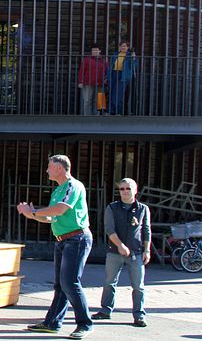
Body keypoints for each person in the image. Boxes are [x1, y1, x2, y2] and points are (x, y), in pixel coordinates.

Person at [17, 155, 93, 339]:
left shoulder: (73, 186)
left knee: (70, 283)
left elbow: (60, 209)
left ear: (59, 167)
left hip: (77, 239)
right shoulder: (58, 191)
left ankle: (85, 324)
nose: (47, 170)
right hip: (62, 240)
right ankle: (52, 323)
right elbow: (52, 217)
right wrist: (32, 215)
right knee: (60, 285)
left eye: (49, 166)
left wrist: (34, 211)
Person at [92, 178, 151, 327]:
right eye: (122, 189)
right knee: (109, 282)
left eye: (128, 188)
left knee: (138, 286)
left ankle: (139, 315)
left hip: (136, 253)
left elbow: (146, 230)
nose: (125, 192)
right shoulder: (112, 208)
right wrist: (120, 245)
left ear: (135, 190)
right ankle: (105, 310)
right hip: (114, 252)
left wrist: (147, 250)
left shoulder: (143, 209)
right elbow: (109, 229)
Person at [106, 40, 138, 115]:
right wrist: (107, 76)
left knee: (118, 95)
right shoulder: (115, 54)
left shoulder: (130, 55)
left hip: (123, 75)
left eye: (124, 46)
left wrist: (133, 58)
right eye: (121, 46)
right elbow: (110, 66)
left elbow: (134, 66)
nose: (123, 47)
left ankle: (117, 112)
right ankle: (111, 111)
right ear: (119, 47)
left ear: (127, 47)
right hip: (113, 74)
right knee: (111, 93)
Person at [78, 44, 107, 115]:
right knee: (87, 100)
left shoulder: (103, 60)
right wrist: (80, 81)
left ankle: (97, 115)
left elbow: (107, 71)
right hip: (88, 82)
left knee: (99, 100)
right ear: (91, 51)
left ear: (99, 51)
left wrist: (106, 80)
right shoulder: (86, 59)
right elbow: (82, 71)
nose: (95, 51)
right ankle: (87, 116)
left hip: (100, 83)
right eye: (93, 50)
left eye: (96, 50)